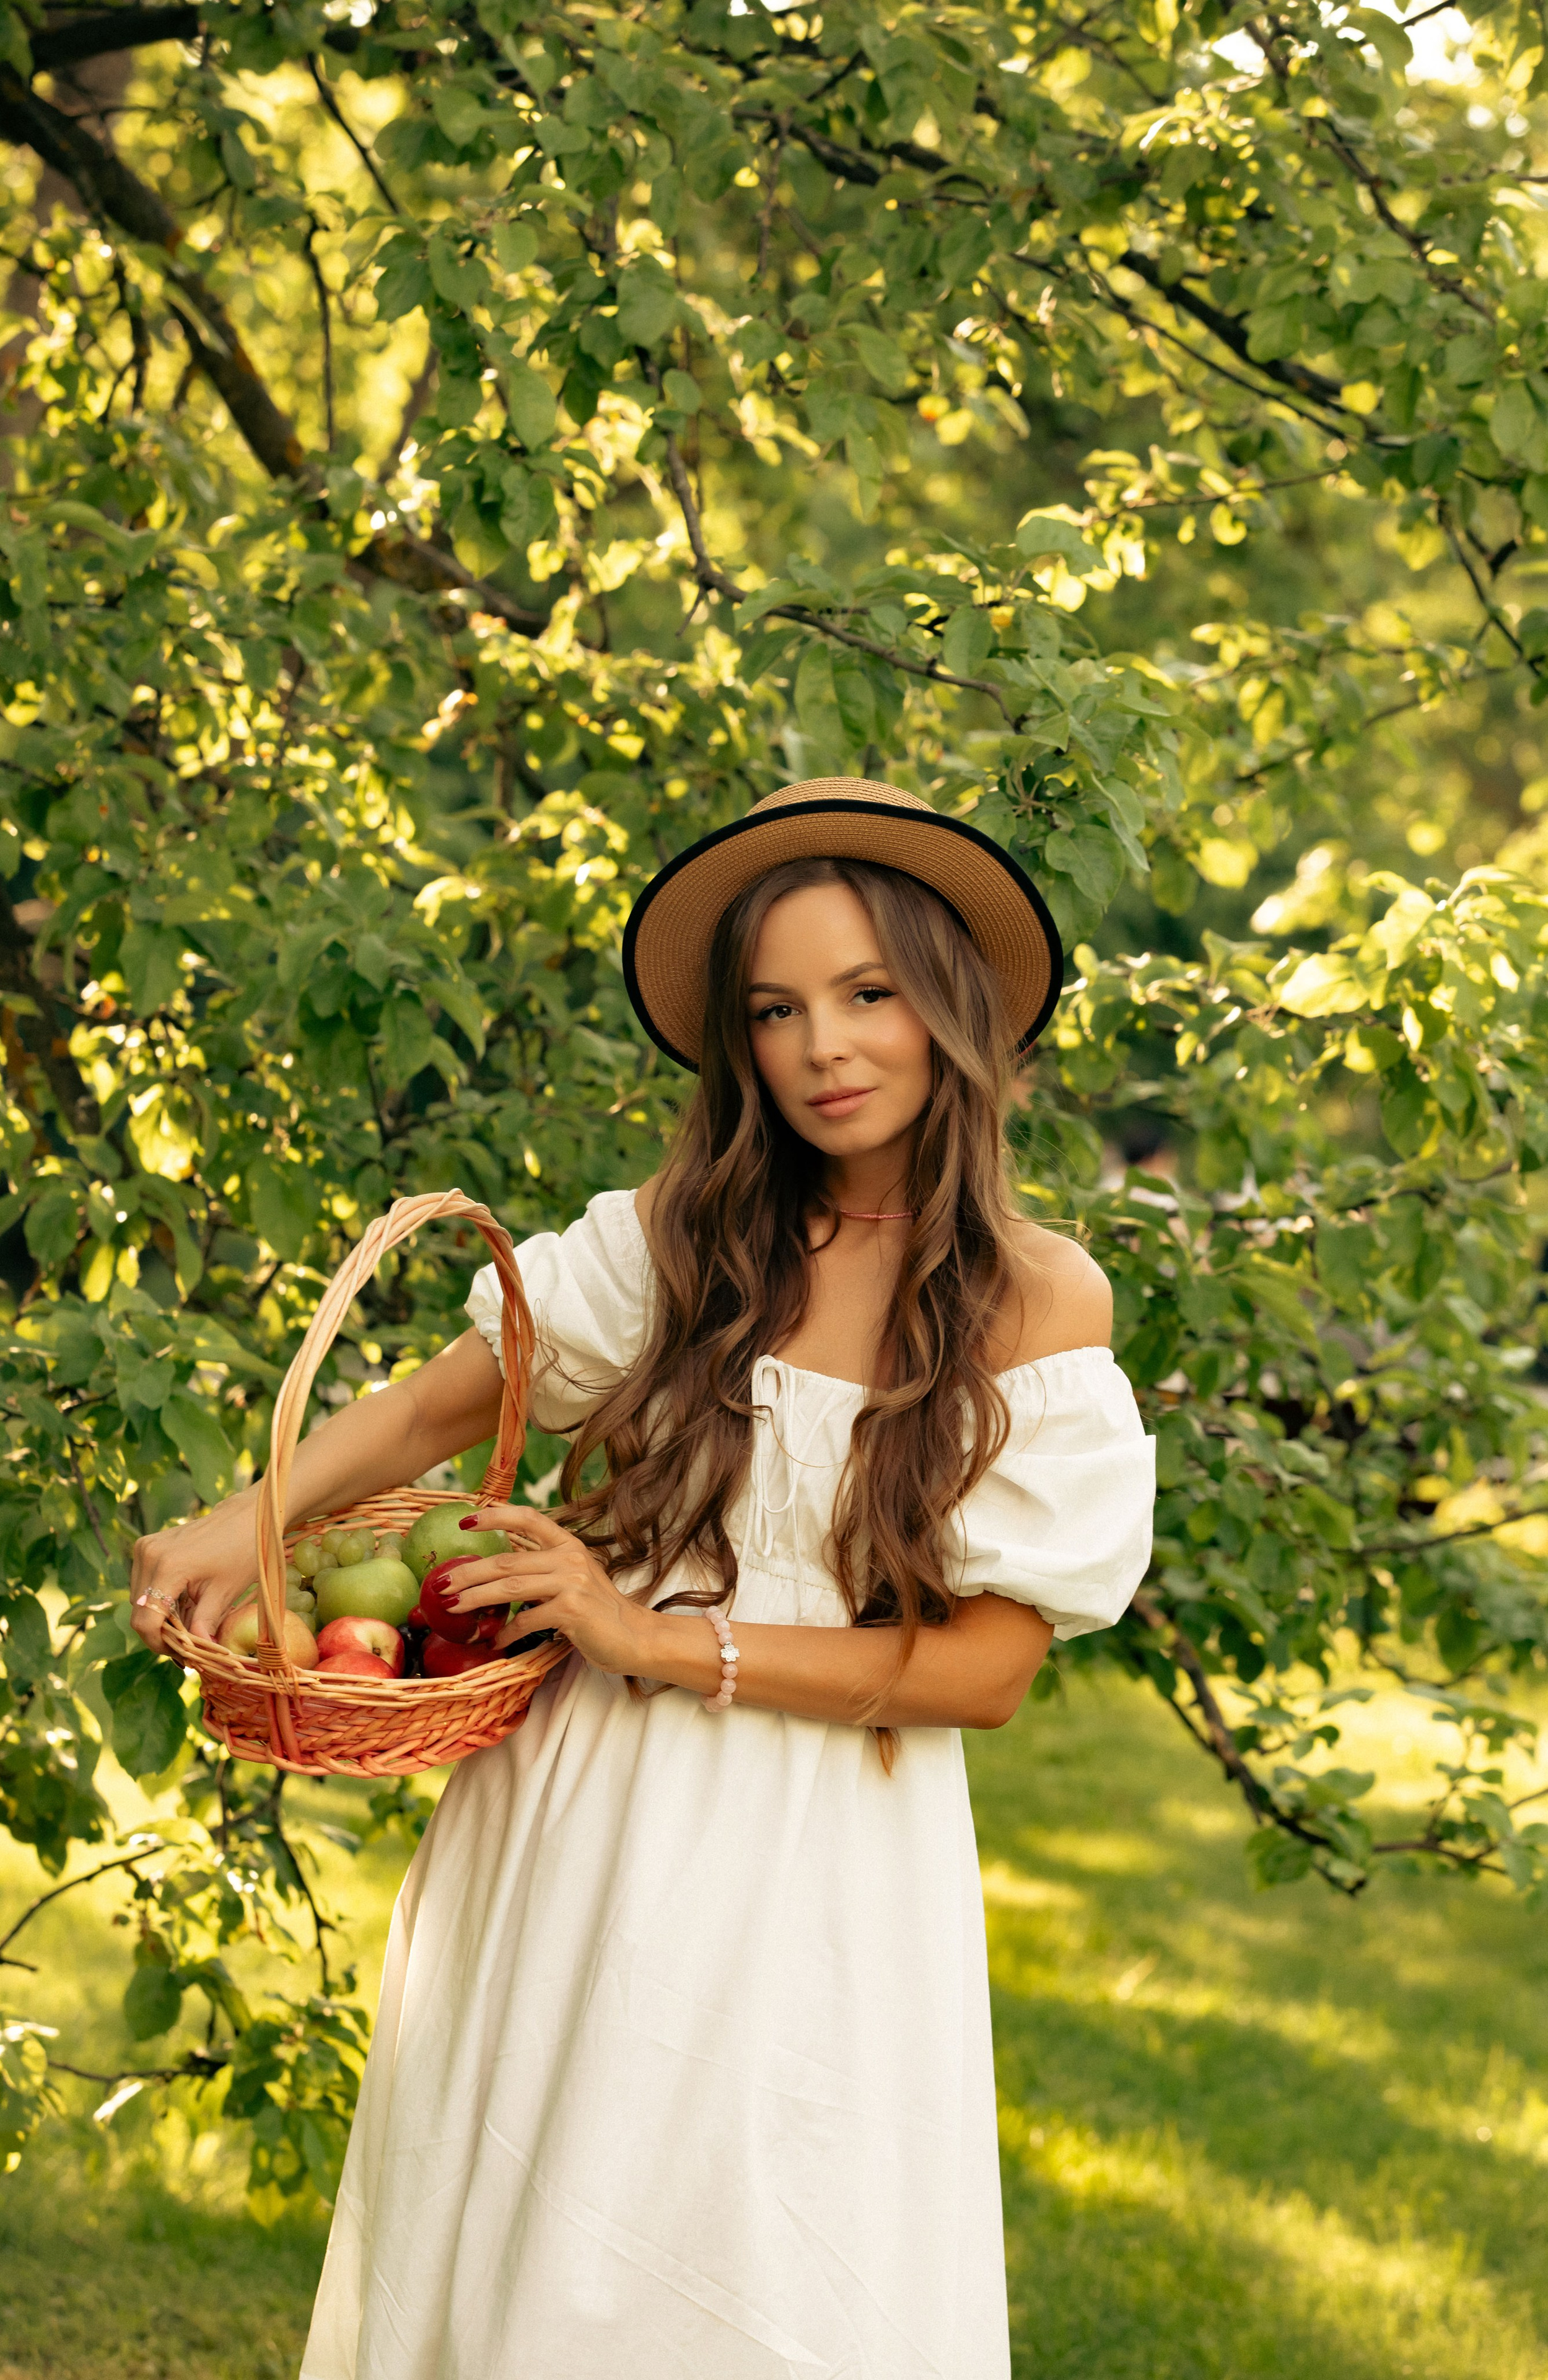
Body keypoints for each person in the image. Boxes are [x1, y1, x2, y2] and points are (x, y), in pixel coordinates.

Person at [129, 776, 1157, 2380]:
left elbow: (987, 1670)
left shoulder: (1035, 1297)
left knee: (760, 2256)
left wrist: (651, 1637)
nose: (826, 1045)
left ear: (950, 1005)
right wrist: (235, 1522)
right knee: (544, 2242)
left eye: (869, 993)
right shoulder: (680, 1237)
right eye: (778, 1008)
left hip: (821, 1846)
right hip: (579, 1806)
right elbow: (427, 1406)